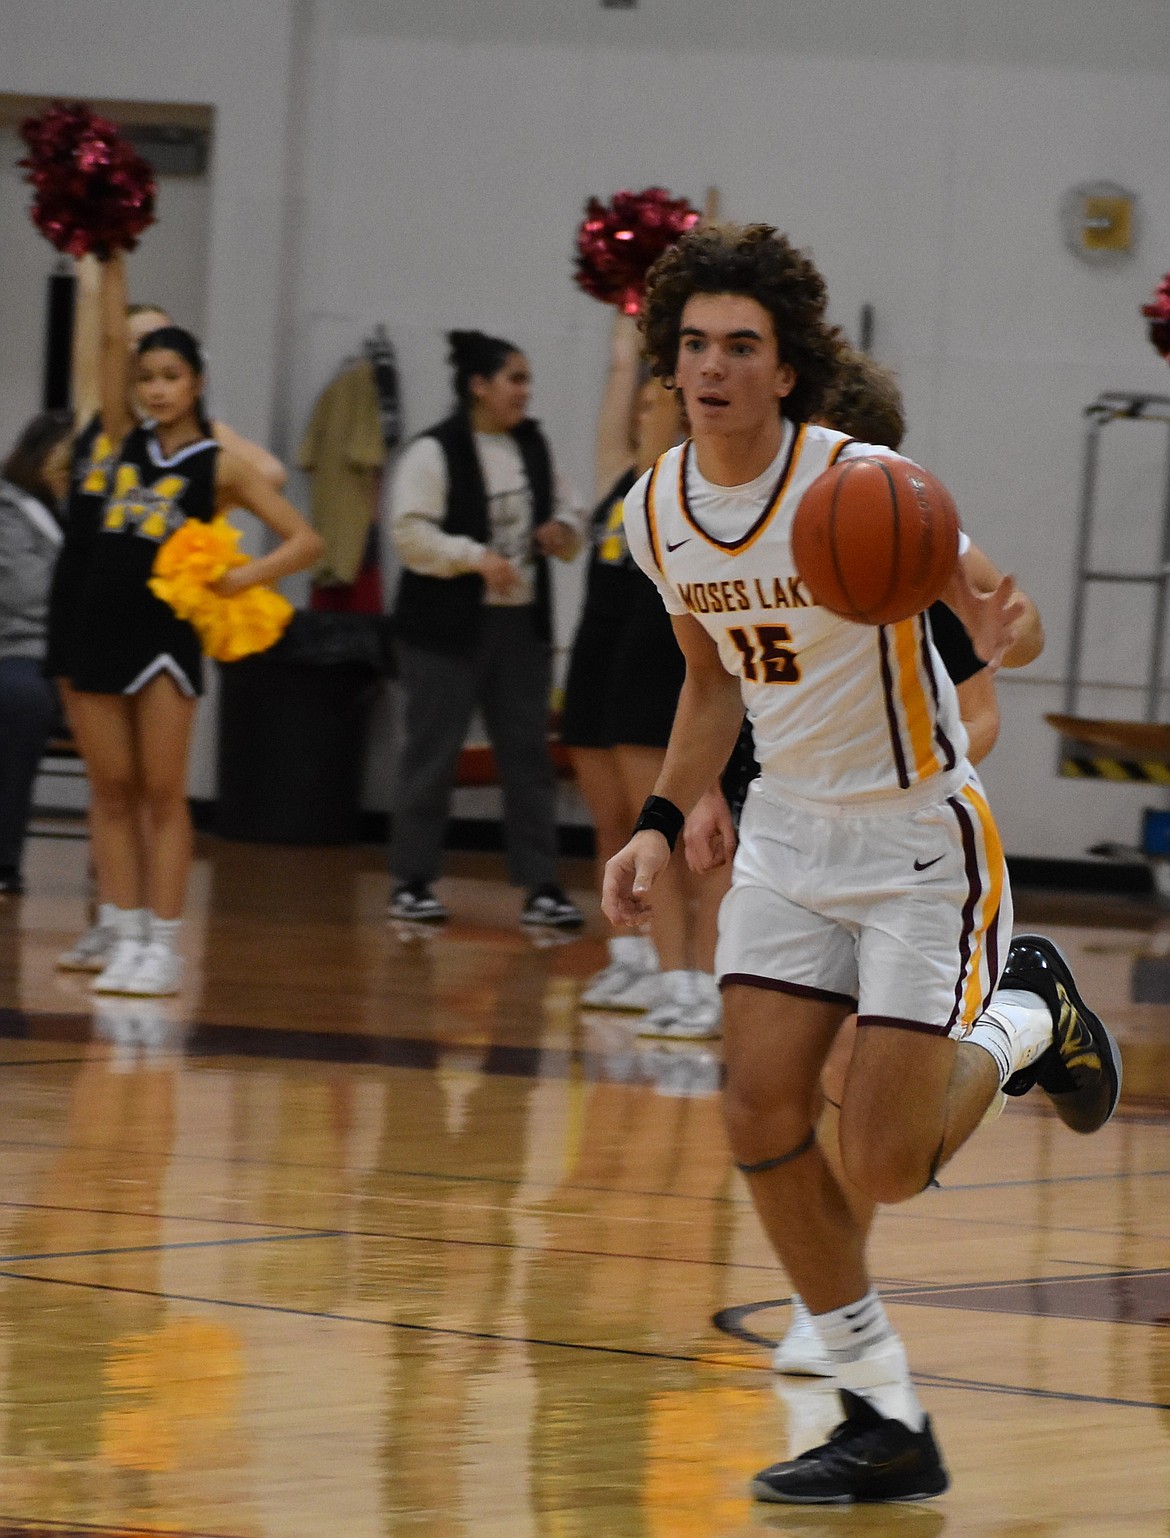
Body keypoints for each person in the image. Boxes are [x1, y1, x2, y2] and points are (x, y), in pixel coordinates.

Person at [602, 224, 1121, 1504]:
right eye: (694, 347)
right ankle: (880, 1412)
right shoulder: (659, 507)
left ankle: (1026, 1015)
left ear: (788, 369)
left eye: (741, 346)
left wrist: (1009, 618)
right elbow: (712, 681)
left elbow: (998, 606)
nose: (712, 368)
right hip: (785, 833)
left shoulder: (866, 481)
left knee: (883, 1159)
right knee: (757, 1112)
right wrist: (664, 820)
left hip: (912, 839)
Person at [53, 250, 322, 997]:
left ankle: (166, 945)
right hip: (98, 631)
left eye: (170, 378)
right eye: (146, 380)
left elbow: (306, 539)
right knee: (109, 791)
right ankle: (126, 933)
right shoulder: (116, 437)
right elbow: (109, 345)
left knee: (162, 793)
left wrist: (243, 576)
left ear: (196, 383)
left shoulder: (218, 464)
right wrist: (108, 257)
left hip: (165, 637)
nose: (156, 390)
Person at [560, 312, 727, 1036]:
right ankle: (636, 958)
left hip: (668, 669)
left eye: (659, 396)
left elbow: (661, 403)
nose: (641, 409)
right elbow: (622, 410)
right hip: (601, 668)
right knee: (619, 826)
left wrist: (669, 334)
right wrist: (623, 346)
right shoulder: (619, 484)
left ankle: (695, 976)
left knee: (680, 837)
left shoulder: (677, 483)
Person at [388, 329, 586, 930]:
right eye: (515, 378)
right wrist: (476, 558)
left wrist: (562, 532)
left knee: (528, 757)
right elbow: (409, 535)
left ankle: (542, 886)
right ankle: (413, 881)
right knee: (433, 755)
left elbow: (572, 512)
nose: (526, 391)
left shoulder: (533, 445)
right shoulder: (434, 451)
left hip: (520, 627)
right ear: (478, 385)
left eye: (527, 379)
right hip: (444, 630)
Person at [0, 411, 74, 894]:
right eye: (67, 457)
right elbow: (26, 593)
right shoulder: (9, 509)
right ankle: (5, 858)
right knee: (24, 701)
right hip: (19, 646)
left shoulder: (90, 510)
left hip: (80, 651)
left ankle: (120, 873)